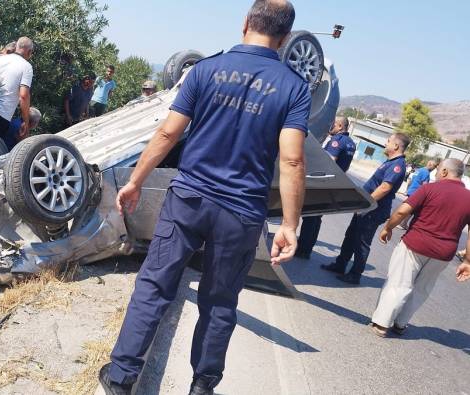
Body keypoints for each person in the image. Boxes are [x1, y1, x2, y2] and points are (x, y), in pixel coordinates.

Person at [98, 1, 310, 394]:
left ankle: (122, 376)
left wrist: (136, 181)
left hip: (189, 200)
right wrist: (291, 225)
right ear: (283, 39)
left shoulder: (206, 70)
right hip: (242, 213)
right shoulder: (293, 87)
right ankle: (202, 386)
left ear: (245, 23)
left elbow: (167, 135)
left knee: (155, 286)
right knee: (220, 300)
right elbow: (293, 160)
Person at [369, 158, 470, 337]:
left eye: (438, 170)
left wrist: (388, 227)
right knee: (422, 288)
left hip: (415, 245)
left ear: (445, 172)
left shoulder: (429, 189)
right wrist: (468, 260)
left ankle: (382, 324)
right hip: (443, 254)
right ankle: (400, 323)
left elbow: (402, 211)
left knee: (399, 283)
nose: (436, 173)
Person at [321, 132, 410, 285]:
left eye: (388, 141)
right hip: (366, 207)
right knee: (350, 236)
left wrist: (366, 203)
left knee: (361, 242)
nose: (386, 143)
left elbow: (384, 187)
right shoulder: (390, 162)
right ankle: (340, 265)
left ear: (396, 146)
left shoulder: (397, 165)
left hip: (373, 209)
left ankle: (355, 274)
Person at [295, 116, 356, 259]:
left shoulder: (337, 141)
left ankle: (303, 249)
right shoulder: (351, 143)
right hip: (334, 184)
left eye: (333, 124)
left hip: (323, 183)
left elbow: (328, 162)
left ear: (340, 126)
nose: (331, 126)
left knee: (310, 217)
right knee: (317, 217)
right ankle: (307, 247)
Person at [398, 160, 437, 229]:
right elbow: (425, 186)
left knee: (406, 207)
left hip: (411, 190)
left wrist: (407, 190)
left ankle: (399, 222)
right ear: (431, 165)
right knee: (412, 210)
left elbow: (410, 180)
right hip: (417, 193)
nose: (433, 170)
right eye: (434, 168)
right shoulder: (426, 173)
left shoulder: (419, 170)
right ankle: (402, 224)